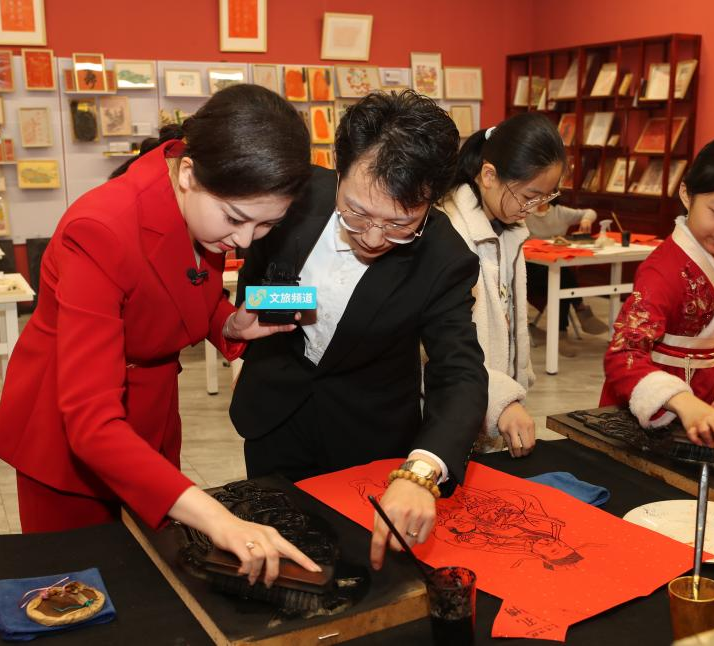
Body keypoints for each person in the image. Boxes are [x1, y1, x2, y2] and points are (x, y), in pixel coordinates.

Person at [0, 85, 321, 586]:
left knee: (146, 581)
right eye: (236, 219)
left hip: (150, 413)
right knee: (75, 586)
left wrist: (228, 324)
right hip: (66, 431)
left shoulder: (201, 209)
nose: (244, 240)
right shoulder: (100, 229)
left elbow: (184, 289)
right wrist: (217, 517)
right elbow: (91, 420)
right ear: (188, 174)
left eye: (266, 224)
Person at [230, 90, 488, 570]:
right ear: (338, 167)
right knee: (278, 559)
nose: (372, 238)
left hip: (369, 442)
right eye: (356, 213)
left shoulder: (444, 257)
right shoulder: (291, 195)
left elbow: (460, 371)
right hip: (273, 416)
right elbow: (257, 281)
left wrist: (422, 471)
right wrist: (247, 344)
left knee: (359, 571)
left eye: (399, 225)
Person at [600, 136, 714, 450]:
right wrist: (680, 400)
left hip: (705, 407)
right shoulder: (662, 270)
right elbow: (624, 355)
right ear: (686, 194)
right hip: (645, 411)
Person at [438, 113, 565, 457]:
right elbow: (437, 347)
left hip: (494, 402)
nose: (533, 209)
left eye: (545, 197)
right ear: (489, 175)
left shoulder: (508, 228)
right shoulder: (449, 232)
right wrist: (498, 396)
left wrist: (514, 386)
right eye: (529, 196)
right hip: (452, 408)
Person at [525, 201, 607, 356]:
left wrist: (586, 220)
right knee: (562, 277)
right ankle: (580, 310)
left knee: (560, 278)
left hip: (555, 268)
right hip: (530, 272)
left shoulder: (560, 212)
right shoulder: (525, 213)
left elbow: (590, 211)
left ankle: (561, 333)